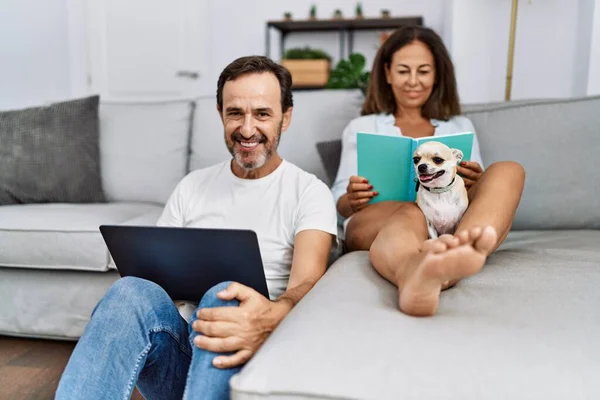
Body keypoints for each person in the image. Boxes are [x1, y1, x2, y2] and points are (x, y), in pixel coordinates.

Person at [56, 56, 338, 400]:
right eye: (235, 113)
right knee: (130, 290)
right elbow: (155, 288)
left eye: (262, 114)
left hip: (255, 354)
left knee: (226, 294)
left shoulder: (309, 192)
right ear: (220, 114)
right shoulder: (192, 187)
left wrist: (266, 319)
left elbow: (307, 285)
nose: (247, 129)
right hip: (186, 355)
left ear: (286, 117)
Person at [331, 26, 525, 317]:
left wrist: (474, 178)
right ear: (387, 73)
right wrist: (351, 197)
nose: (413, 81)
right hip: (384, 216)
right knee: (412, 211)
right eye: (403, 71)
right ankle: (419, 273)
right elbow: (339, 204)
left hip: (449, 216)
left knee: (509, 171)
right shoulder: (362, 127)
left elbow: (482, 196)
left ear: (437, 75)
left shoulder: (459, 126)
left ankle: (456, 255)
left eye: (423, 71)